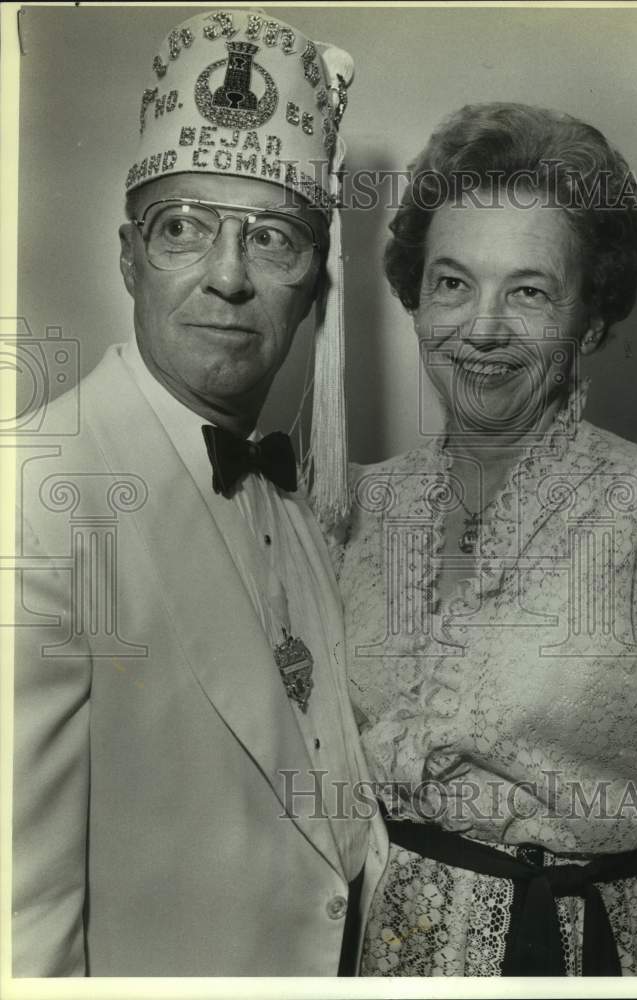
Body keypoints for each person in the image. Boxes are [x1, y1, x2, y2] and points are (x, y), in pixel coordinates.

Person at [12, 8, 386, 977]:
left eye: (272, 239)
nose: (226, 277)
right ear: (128, 257)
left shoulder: (295, 498)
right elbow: (20, 920)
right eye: (184, 229)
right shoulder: (34, 494)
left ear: (314, 289)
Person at [331, 103, 637, 976]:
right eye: (453, 283)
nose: (482, 329)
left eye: (528, 291)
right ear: (415, 294)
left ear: (591, 320)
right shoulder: (351, 508)